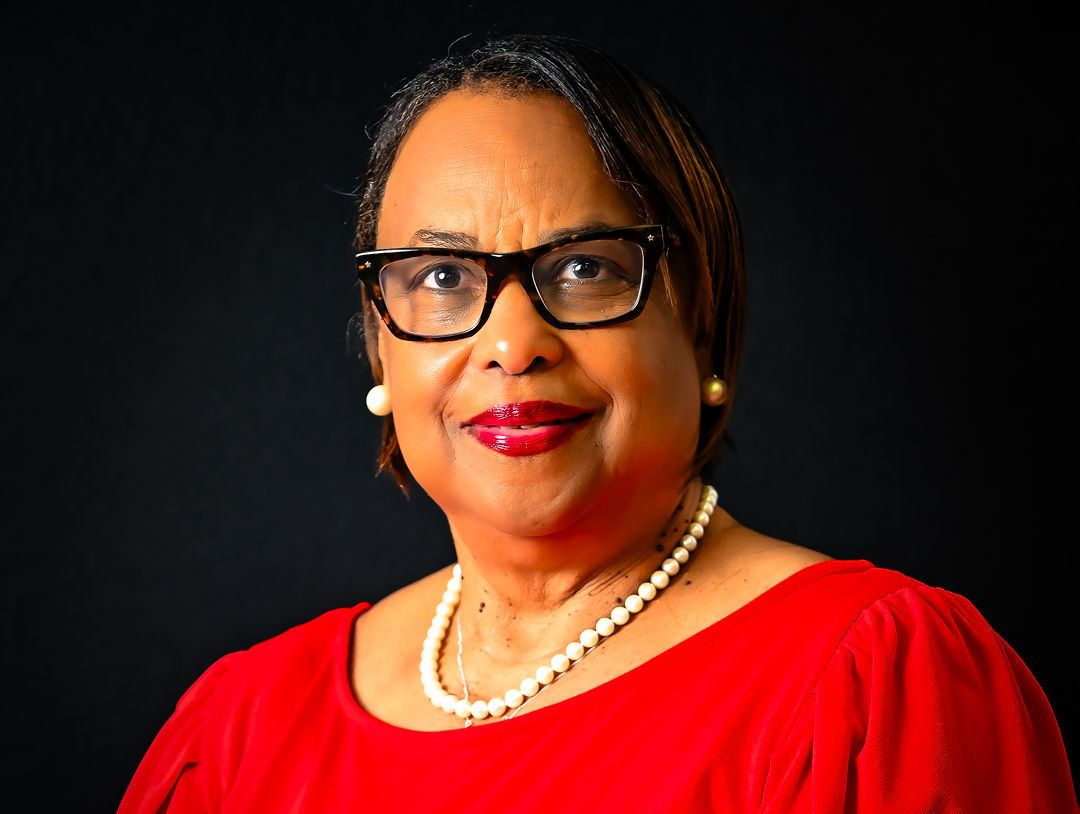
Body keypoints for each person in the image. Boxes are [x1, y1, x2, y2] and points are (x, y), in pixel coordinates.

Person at [118, 34, 1076, 812]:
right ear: (382, 349)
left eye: (584, 267)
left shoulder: (868, 686)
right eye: (443, 278)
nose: (512, 343)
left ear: (699, 318)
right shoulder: (238, 735)